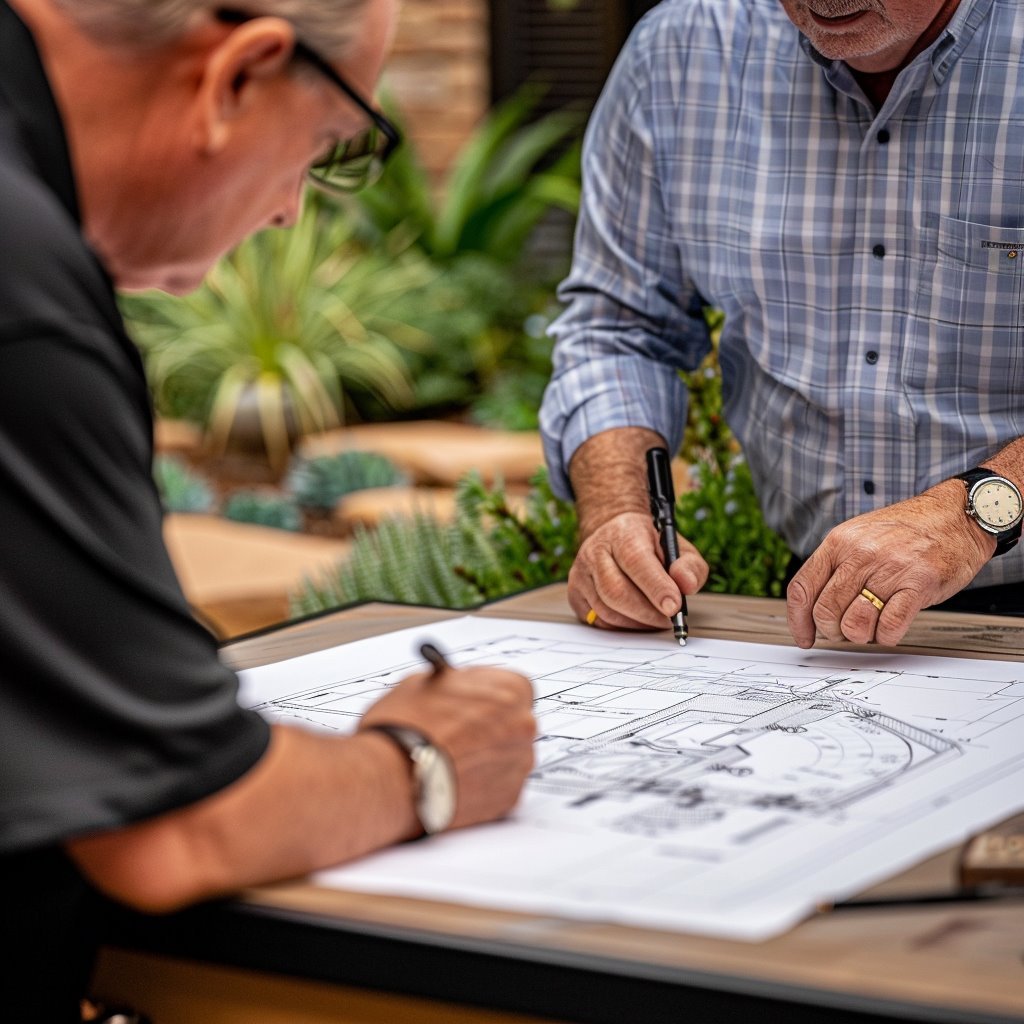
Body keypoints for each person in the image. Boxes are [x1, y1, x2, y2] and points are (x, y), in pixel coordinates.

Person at [0, 1, 536, 1018]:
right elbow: (176, 825)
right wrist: (426, 763)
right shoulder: (25, 300)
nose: (293, 212)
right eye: (332, 147)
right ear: (238, 74)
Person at [540, 0, 1024, 651]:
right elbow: (619, 330)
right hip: (813, 610)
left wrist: (972, 516)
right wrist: (617, 510)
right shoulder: (679, 53)